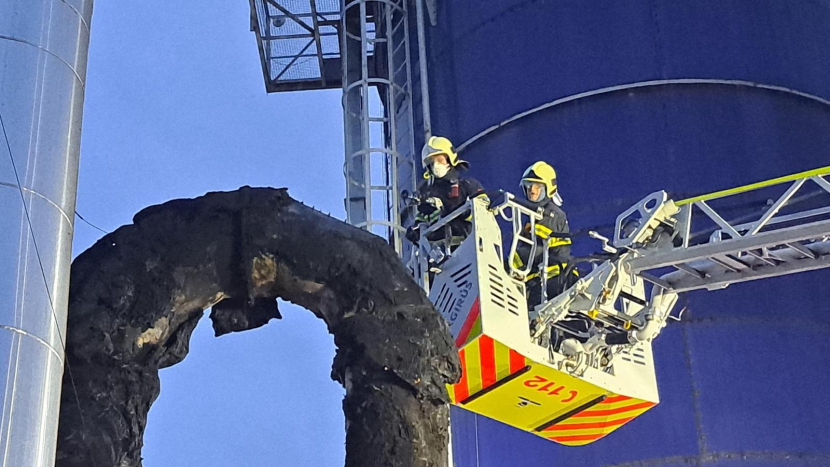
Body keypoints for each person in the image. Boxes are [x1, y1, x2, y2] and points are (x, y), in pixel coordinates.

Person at [511, 161, 576, 307]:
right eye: (528, 186)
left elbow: (537, 246)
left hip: (553, 277)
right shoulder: (532, 214)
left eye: (537, 186)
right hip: (536, 278)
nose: (532, 190)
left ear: (548, 188)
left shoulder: (553, 213)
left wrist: (509, 265)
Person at [405, 136, 487, 247]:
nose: (436, 165)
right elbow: (422, 226)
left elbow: (485, 213)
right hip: (437, 257)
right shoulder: (427, 196)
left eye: (439, 160)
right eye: (432, 162)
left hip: (467, 248)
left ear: (450, 159)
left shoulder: (468, 186)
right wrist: (414, 233)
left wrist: (461, 210)